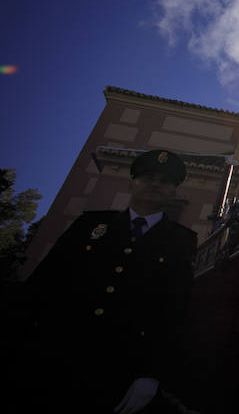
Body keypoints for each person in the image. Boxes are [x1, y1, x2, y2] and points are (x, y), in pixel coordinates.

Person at [22, 150, 198, 413]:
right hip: (56, 353)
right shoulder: (90, 225)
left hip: (119, 368)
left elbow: (173, 311)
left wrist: (151, 374)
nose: (155, 184)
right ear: (132, 183)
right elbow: (43, 284)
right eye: (148, 177)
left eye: (165, 180)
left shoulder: (182, 240)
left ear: (174, 190)